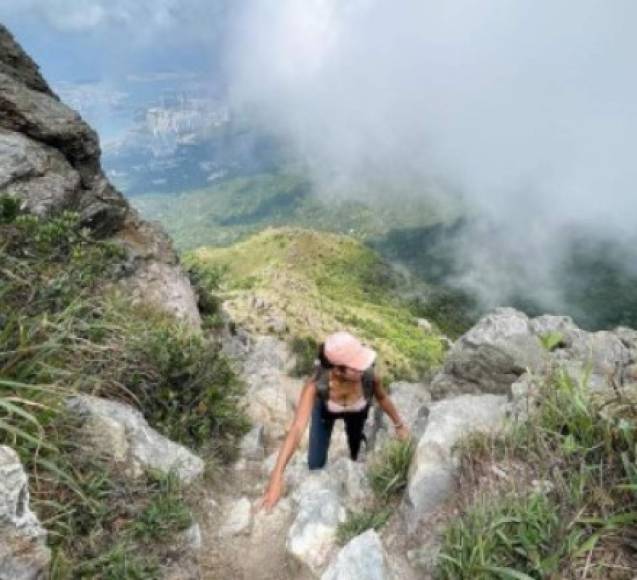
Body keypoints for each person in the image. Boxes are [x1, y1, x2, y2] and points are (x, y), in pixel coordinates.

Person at [259, 331, 410, 511]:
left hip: (357, 413)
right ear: (337, 369)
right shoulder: (316, 385)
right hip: (325, 412)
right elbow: (297, 429)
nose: (364, 367)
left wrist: (399, 425)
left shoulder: (368, 377)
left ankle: (354, 457)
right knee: (315, 463)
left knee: (355, 445)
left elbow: (383, 398)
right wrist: (276, 478)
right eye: (356, 365)